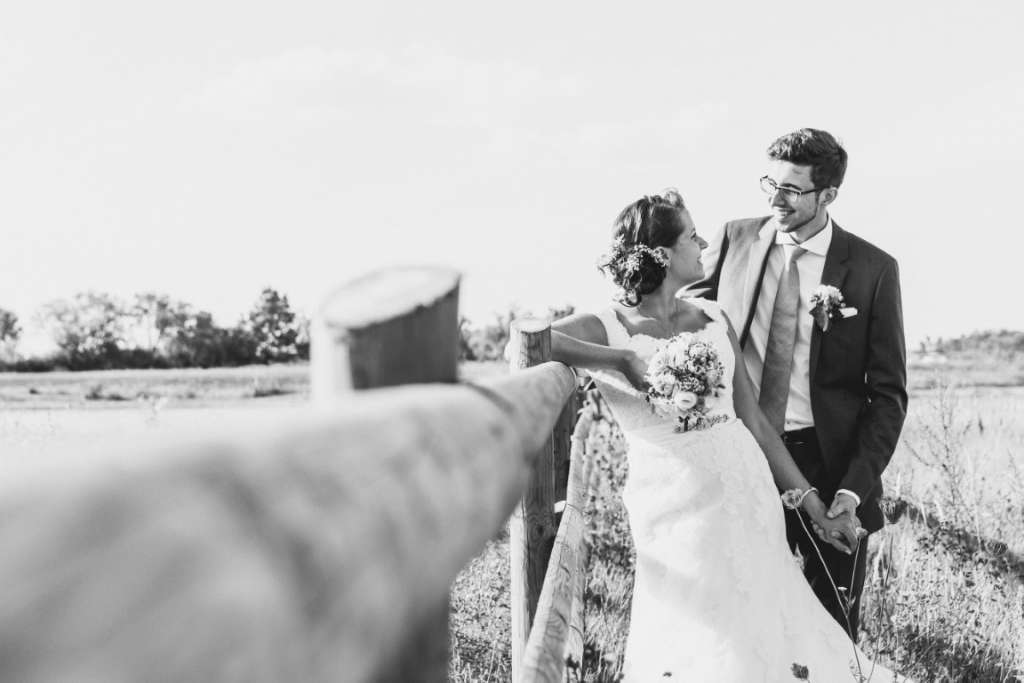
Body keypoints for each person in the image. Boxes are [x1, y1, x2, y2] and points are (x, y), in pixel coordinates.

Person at [550, 190, 907, 681]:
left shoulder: (713, 316)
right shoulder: (606, 324)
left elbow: (755, 422)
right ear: (663, 255)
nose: (703, 243)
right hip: (671, 502)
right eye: (692, 236)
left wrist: (811, 506)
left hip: (747, 491)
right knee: (695, 625)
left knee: (760, 621)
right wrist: (620, 359)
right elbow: (526, 339)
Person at [684, 128, 908, 639]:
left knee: (830, 630)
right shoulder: (734, 239)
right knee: (740, 621)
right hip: (738, 455)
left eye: (792, 189)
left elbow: (889, 396)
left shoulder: (873, 270)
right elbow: (681, 322)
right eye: (771, 182)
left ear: (828, 195)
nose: (774, 198)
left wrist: (853, 490)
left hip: (829, 469)